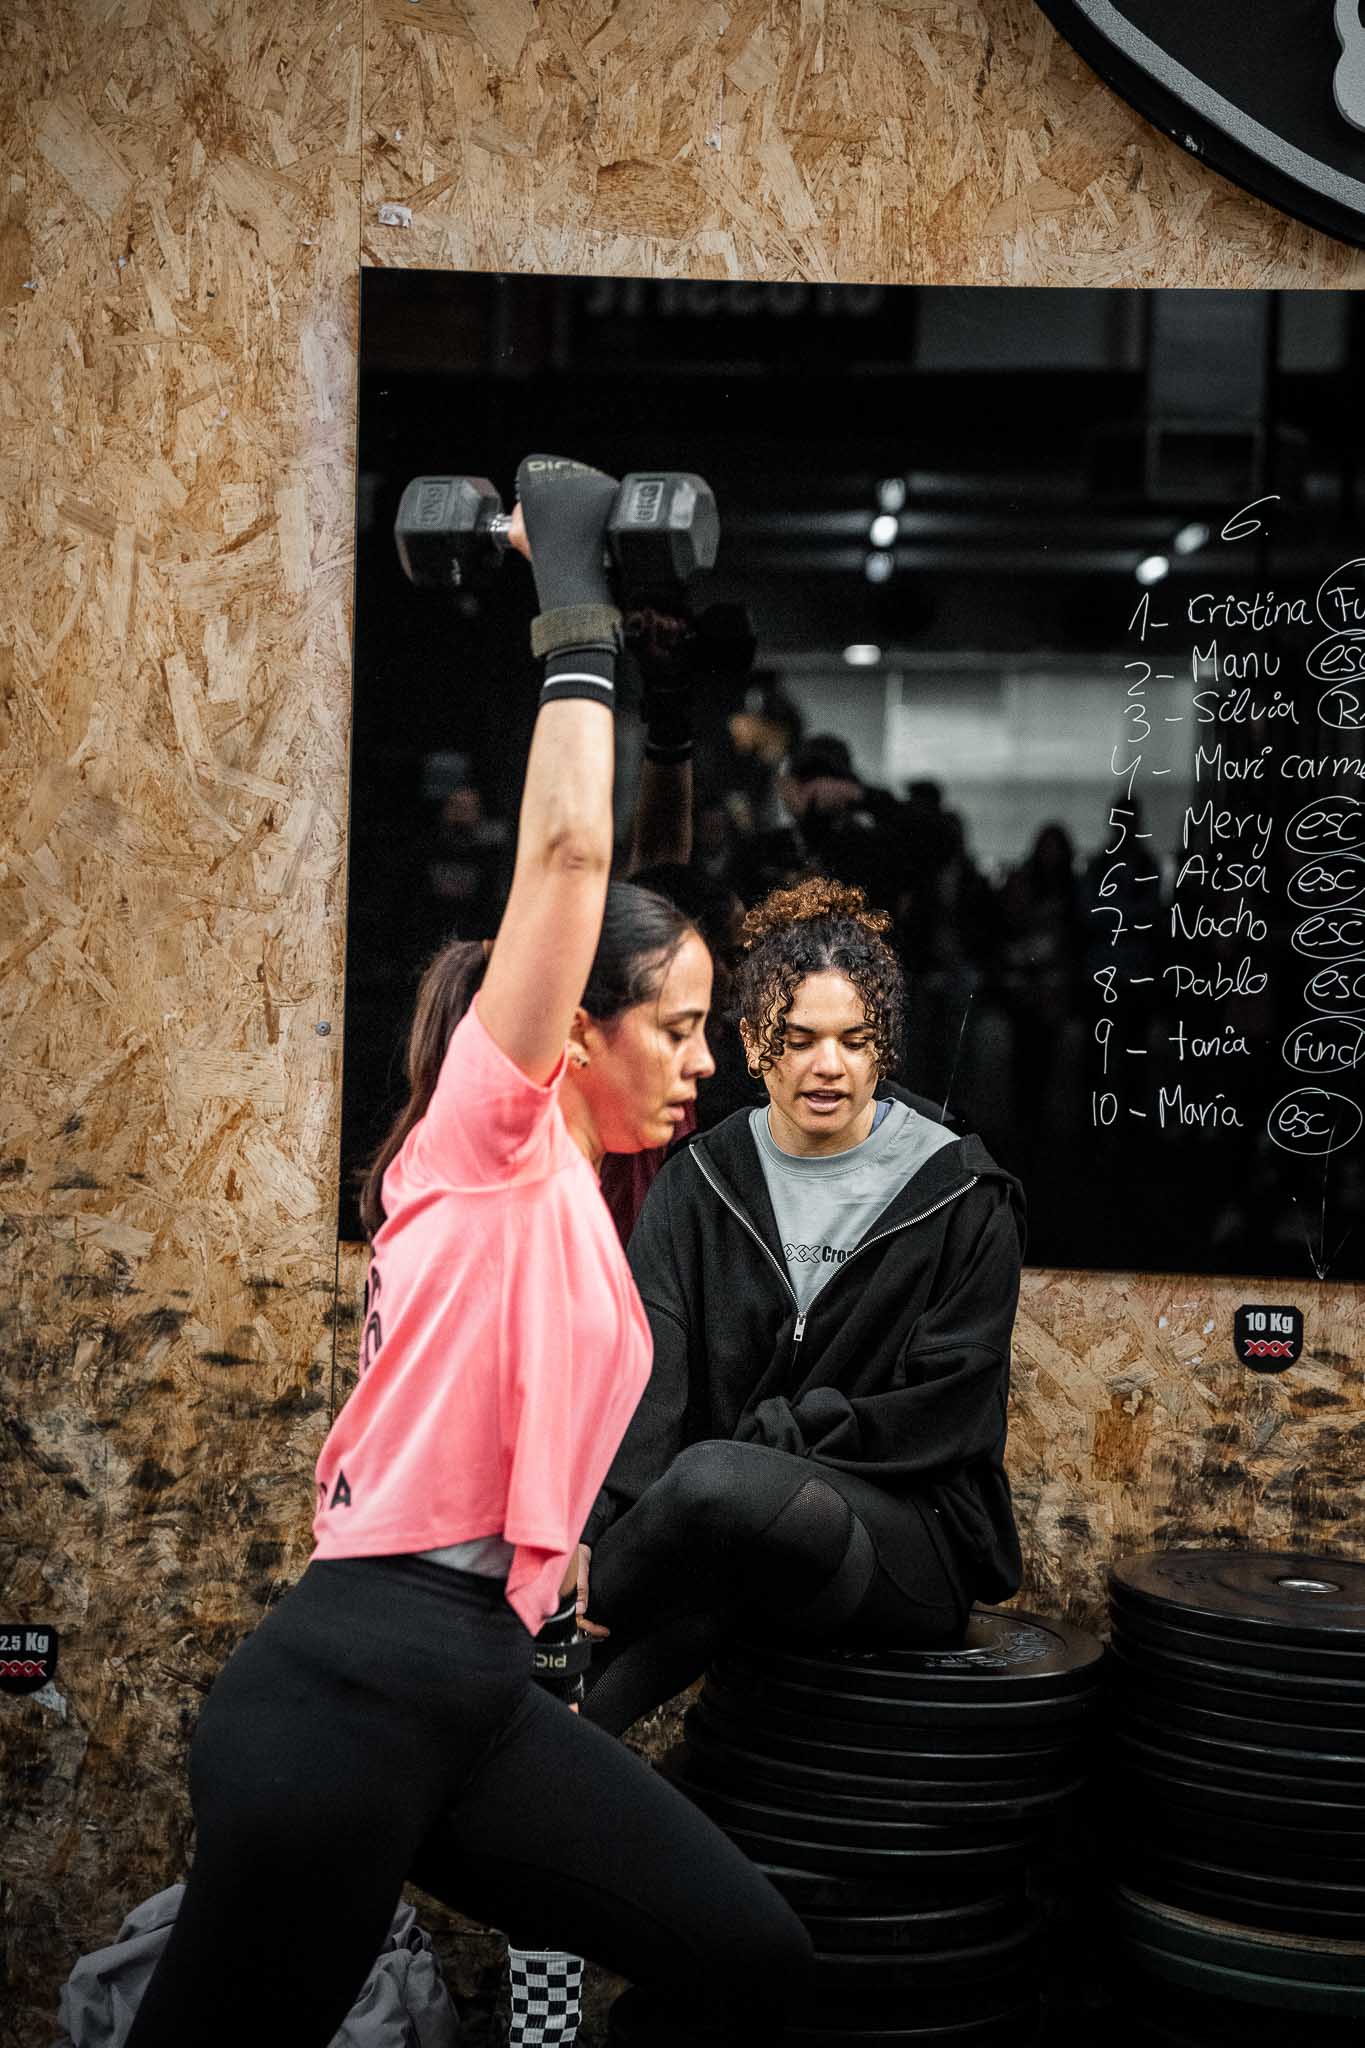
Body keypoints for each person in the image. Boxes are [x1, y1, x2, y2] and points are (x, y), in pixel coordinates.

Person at [123, 456, 810, 2048]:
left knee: (753, 1960)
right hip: (353, 1687)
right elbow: (572, 874)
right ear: (572, 1034)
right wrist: (569, 609)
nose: (707, 1062)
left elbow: (646, 904)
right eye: (680, 1032)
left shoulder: (590, 1183)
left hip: (484, 1696)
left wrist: (668, 711)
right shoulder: (486, 1139)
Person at [576, 876, 1026, 1741]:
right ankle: (519, 1754)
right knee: (677, 1606)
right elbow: (644, 1392)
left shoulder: (961, 1190)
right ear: (753, 1042)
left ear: (883, 1043)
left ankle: (536, 1636)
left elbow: (952, 1412)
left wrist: (782, 1440)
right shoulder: (698, 1185)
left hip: (904, 1546)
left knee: (715, 1483)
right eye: (799, 1039)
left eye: (856, 1041)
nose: (829, 1066)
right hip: (731, 1540)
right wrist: (592, 1530)